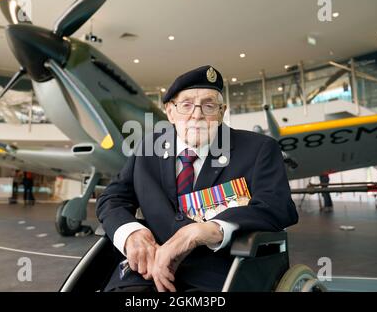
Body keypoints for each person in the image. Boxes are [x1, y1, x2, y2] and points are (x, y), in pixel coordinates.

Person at [96, 65, 298, 292]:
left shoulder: (258, 149)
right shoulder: (148, 148)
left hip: (219, 273)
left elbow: (279, 206)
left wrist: (206, 230)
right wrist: (131, 232)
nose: (197, 114)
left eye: (209, 105)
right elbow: (112, 198)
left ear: (221, 112)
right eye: (186, 105)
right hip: (145, 270)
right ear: (170, 112)